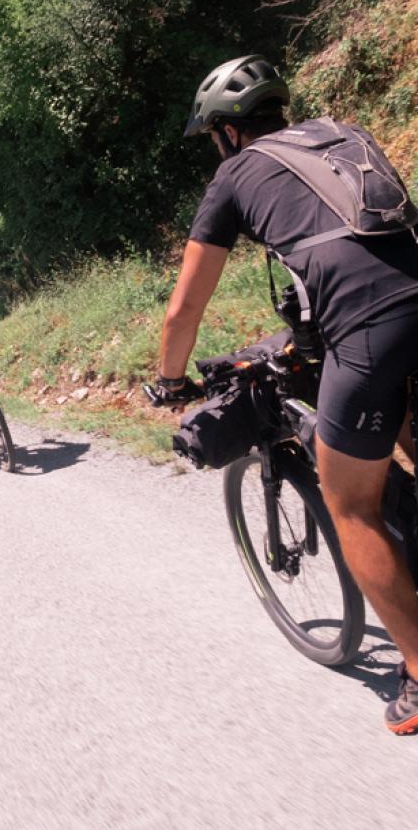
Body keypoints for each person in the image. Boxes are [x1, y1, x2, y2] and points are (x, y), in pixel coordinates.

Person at [156, 54, 418, 734]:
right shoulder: (346, 134)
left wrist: (167, 380)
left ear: (225, 131)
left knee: (351, 503)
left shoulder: (235, 173)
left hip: (368, 326)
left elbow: (184, 307)